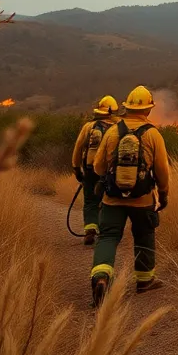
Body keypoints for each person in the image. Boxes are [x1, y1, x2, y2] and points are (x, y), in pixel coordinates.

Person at [88, 85, 171, 307]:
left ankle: (101, 277)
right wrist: (163, 194)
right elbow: (162, 171)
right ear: (148, 109)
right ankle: (144, 280)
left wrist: (110, 178)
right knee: (144, 235)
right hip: (142, 199)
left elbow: (98, 166)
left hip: (112, 198)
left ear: (127, 108)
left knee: (108, 237)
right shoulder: (153, 134)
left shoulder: (112, 131)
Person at [70, 95, 121, 245]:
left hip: (90, 170)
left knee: (90, 201)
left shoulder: (89, 127)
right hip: (111, 172)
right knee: (108, 200)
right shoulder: (120, 128)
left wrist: (76, 168)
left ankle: (90, 230)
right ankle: (106, 231)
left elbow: (78, 148)